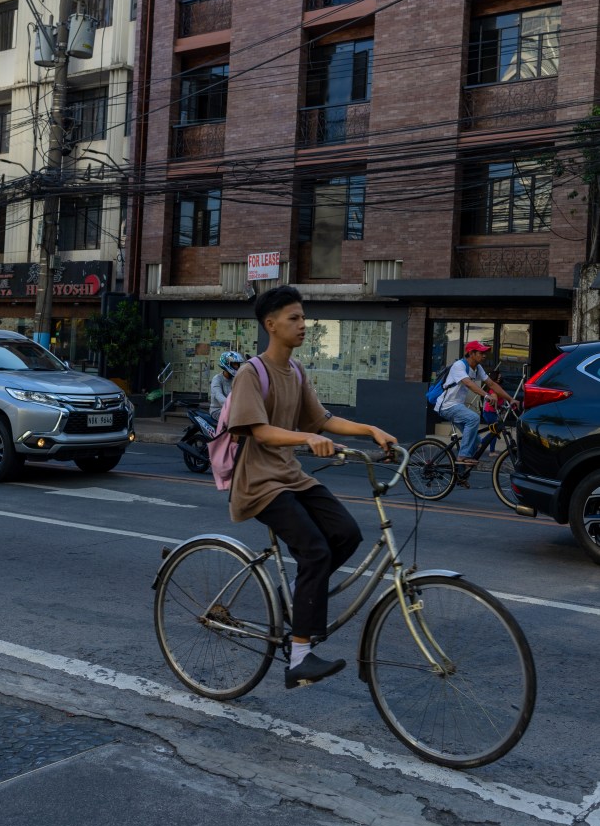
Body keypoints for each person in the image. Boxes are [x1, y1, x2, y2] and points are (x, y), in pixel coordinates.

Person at [227, 285, 396, 690]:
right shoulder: (252, 372)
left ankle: (299, 595)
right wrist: (305, 439)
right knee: (316, 550)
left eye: (304, 317)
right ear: (271, 325)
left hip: (292, 476)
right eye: (295, 318)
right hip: (260, 483)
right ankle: (299, 656)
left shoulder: (297, 372)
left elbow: (322, 420)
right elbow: (260, 431)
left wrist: (370, 429)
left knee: (347, 534)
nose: (304, 324)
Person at [435, 341, 516, 465]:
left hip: (458, 406)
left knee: (477, 441)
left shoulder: (477, 368)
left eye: (485, 353)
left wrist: (511, 399)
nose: (484, 355)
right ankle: (463, 456)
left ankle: (461, 470)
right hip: (447, 406)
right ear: (471, 353)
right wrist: (487, 395)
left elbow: (491, 384)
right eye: (481, 352)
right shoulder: (459, 365)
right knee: (473, 418)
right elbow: (469, 383)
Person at [209, 351, 244, 421]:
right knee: (237, 420)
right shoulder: (217, 379)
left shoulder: (235, 379)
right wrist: (234, 406)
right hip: (217, 411)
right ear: (227, 364)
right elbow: (219, 396)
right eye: (235, 364)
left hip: (232, 409)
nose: (237, 367)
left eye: (238, 364)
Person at [482, 369, 505, 455]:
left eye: (500, 377)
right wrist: (497, 406)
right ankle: (485, 445)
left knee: (495, 431)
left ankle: (485, 445)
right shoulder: (493, 389)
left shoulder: (498, 387)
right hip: (489, 412)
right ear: (494, 378)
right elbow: (494, 397)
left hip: (492, 412)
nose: (499, 379)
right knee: (495, 430)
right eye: (498, 377)